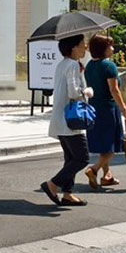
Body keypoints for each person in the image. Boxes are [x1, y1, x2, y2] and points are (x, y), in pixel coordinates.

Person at [40, 33, 91, 207]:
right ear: (73, 47)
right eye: (83, 44)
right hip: (71, 121)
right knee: (82, 158)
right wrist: (87, 91)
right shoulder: (72, 66)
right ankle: (53, 184)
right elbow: (73, 93)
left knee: (71, 158)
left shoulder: (63, 64)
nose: (85, 47)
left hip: (61, 119)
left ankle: (68, 194)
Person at [84, 33, 126, 190]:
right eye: (110, 45)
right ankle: (94, 169)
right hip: (108, 108)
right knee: (112, 145)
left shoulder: (89, 66)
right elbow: (114, 90)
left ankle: (107, 176)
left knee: (104, 144)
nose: (113, 48)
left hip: (94, 107)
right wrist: (125, 110)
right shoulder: (109, 66)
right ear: (103, 49)